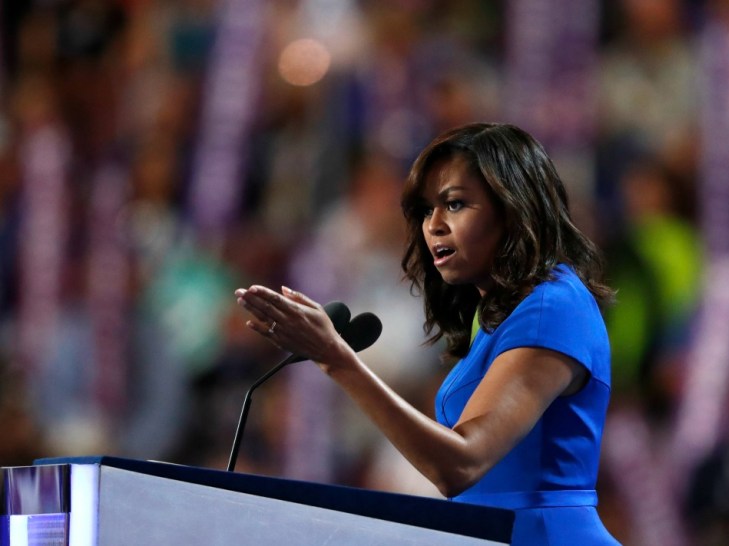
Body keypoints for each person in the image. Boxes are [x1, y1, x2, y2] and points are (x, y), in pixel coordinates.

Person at [235, 122, 621, 545]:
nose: (433, 224)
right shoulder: (498, 315)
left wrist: (336, 358)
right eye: (425, 210)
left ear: (513, 206)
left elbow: (461, 464)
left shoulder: (552, 306)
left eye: (454, 204)